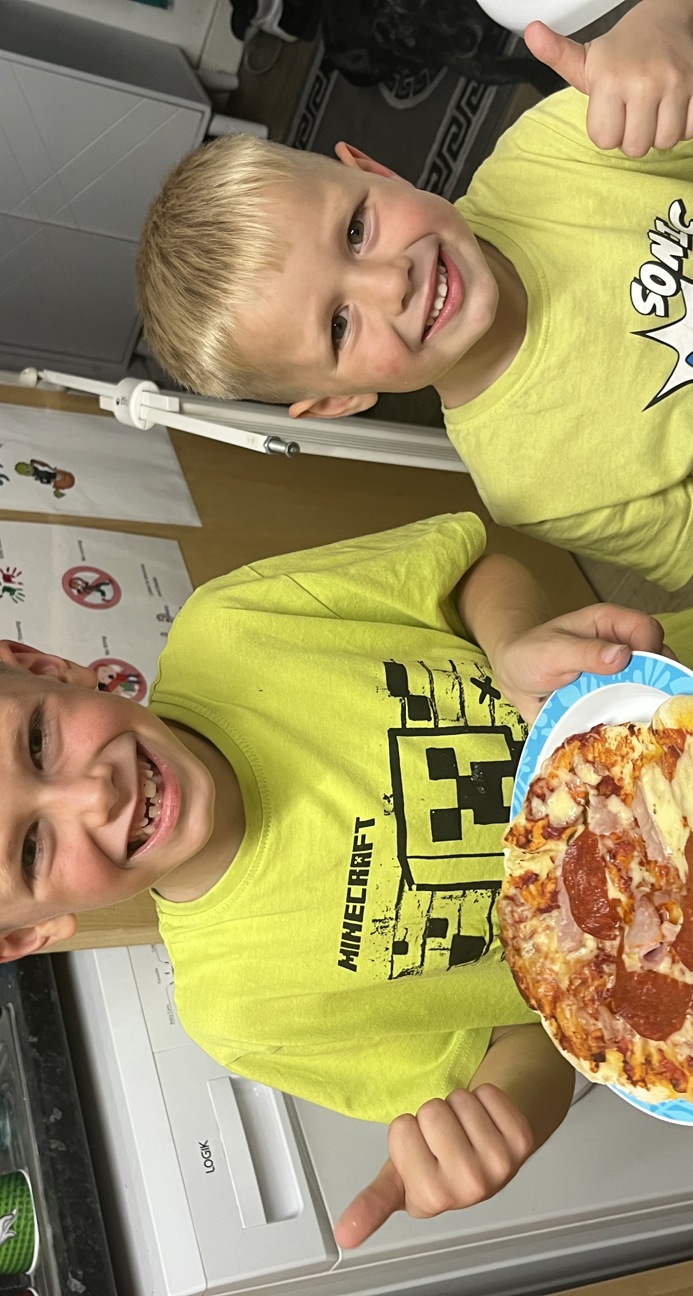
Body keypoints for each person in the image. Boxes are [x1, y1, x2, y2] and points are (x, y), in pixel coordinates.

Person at [0, 512, 688, 1246]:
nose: (93, 796)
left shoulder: (237, 621)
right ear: (28, 932)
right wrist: (499, 1117)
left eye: (37, 741)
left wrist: (512, 639)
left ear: (48, 668)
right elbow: (528, 1042)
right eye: (32, 848)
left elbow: (472, 573)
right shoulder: (244, 1013)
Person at [137, 0, 693, 591]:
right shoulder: (537, 485)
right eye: (338, 327)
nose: (392, 281)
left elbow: (665, 78)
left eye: (355, 230)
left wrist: (665, 23)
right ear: (337, 401)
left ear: (377, 172)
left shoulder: (551, 149)